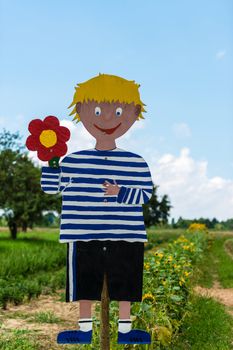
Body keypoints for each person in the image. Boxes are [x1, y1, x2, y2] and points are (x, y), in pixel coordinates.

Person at [40, 73, 153, 344]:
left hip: (126, 234)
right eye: (98, 110)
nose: (106, 119)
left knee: (125, 282)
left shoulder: (136, 163)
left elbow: (145, 194)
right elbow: (51, 187)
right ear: (81, 111)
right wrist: (50, 160)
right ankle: (84, 329)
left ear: (134, 113)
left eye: (117, 111)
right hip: (82, 232)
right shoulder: (73, 161)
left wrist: (120, 192)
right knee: (85, 283)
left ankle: (126, 331)